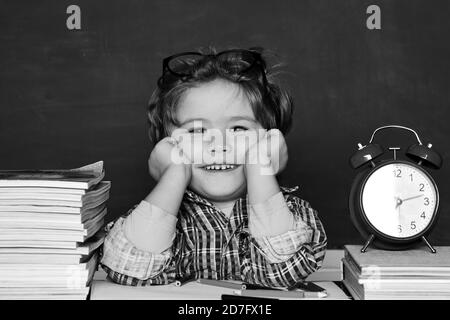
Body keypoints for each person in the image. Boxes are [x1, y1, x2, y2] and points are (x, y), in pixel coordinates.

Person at [100, 47, 327, 287]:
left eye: (239, 129)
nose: (219, 146)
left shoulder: (293, 215)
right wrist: (174, 174)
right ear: (166, 146)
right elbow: (126, 269)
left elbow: (283, 273)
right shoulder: (166, 213)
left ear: (270, 140)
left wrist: (261, 168)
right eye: (197, 131)